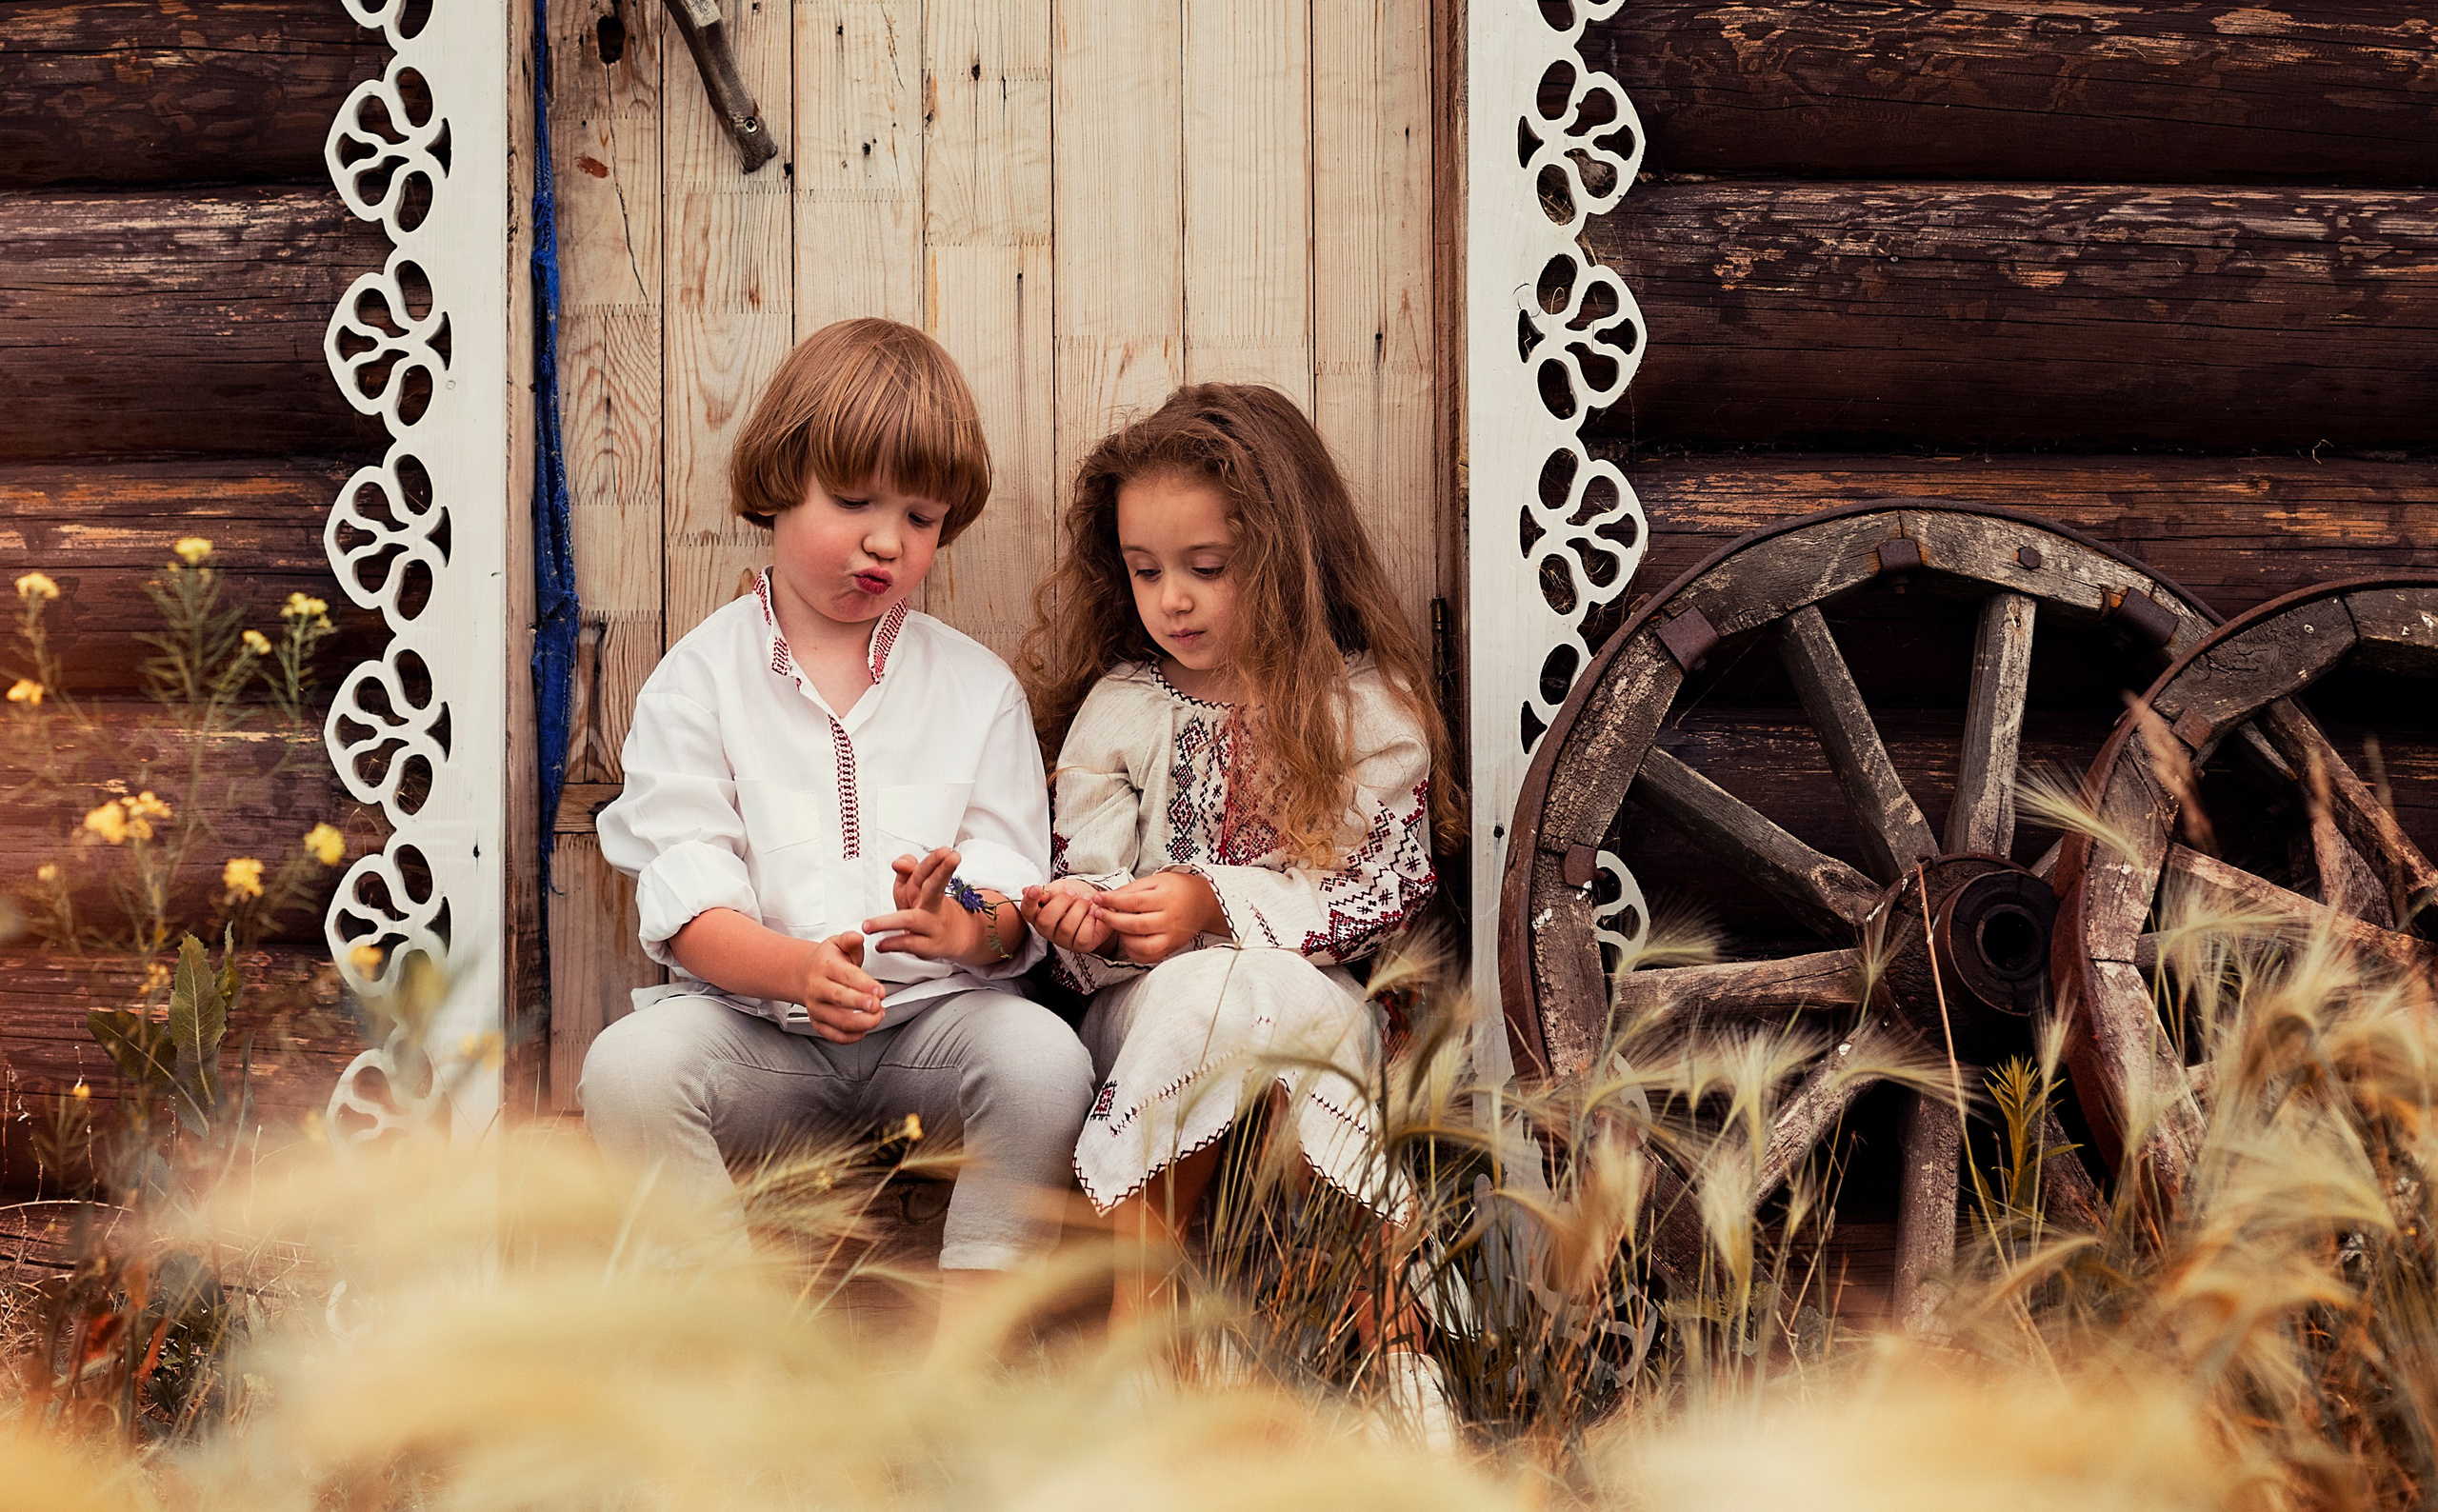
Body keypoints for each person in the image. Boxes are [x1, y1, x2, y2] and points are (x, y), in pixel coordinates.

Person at [581, 318, 1094, 1340]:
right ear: (777, 483)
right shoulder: (700, 680)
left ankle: (968, 1347)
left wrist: (965, 929)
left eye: (920, 515)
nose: (884, 540)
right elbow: (688, 902)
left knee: (1046, 1063)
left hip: (929, 1037)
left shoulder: (974, 688)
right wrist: (794, 970)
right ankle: (732, 1338)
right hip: (759, 1037)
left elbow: (1006, 890)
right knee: (627, 1069)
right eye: (853, 500)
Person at [1014, 383, 1465, 1436]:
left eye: (1206, 569)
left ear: (1291, 556)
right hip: (1144, 1009)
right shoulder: (1122, 708)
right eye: (1144, 571)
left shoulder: (1367, 707)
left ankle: (1172, 1341)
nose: (1172, 598)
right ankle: (1381, 1356)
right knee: (1208, 991)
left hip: (1323, 1007)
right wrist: (1089, 922)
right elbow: (1081, 868)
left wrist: (1212, 900)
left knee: (1247, 981)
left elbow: (1384, 885)